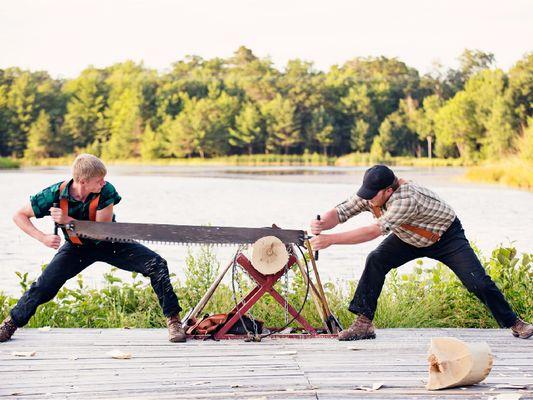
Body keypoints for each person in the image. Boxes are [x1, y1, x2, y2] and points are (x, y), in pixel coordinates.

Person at [310, 164, 532, 341]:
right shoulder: (372, 193)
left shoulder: (406, 199)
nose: (367, 199)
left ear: (388, 191)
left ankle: (515, 323)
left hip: (445, 237)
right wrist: (322, 225)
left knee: (478, 283)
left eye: (372, 195)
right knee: (376, 259)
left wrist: (330, 240)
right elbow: (341, 212)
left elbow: (373, 231)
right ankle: (363, 324)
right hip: (409, 237)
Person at [0, 154, 186, 343]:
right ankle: (10, 324)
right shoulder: (54, 193)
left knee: (157, 265)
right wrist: (43, 238)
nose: (103, 183)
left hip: (110, 242)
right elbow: (19, 215)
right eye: (98, 180)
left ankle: (174, 321)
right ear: (82, 181)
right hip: (77, 247)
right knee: (43, 286)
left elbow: (101, 231)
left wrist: (67, 221)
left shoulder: (106, 191)